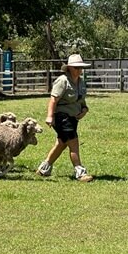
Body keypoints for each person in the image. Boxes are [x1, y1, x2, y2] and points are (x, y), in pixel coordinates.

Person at [36, 54, 94, 182]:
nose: (79, 70)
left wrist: (84, 109)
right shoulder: (63, 80)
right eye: (76, 67)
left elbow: (81, 100)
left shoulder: (81, 82)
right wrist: (50, 116)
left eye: (80, 68)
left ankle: (44, 169)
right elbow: (53, 100)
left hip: (73, 118)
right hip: (61, 117)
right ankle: (80, 172)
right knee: (73, 143)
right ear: (69, 68)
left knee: (61, 143)